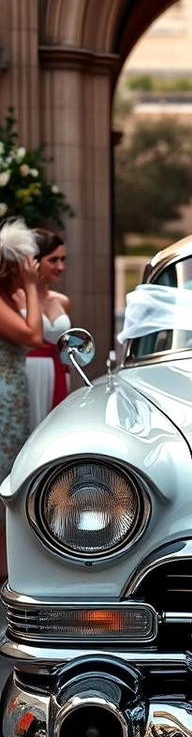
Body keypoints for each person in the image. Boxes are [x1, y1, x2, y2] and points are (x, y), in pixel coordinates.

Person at [0, 218, 44, 577]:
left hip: (13, 392)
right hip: (3, 396)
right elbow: (33, 335)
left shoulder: (10, 298)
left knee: (10, 468)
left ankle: (6, 560)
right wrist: (30, 285)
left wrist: (29, 287)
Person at [22, 229, 71, 428]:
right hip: (26, 374)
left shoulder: (63, 301)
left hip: (59, 373)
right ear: (34, 261)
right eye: (53, 260)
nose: (61, 266)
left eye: (63, 260)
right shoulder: (15, 299)